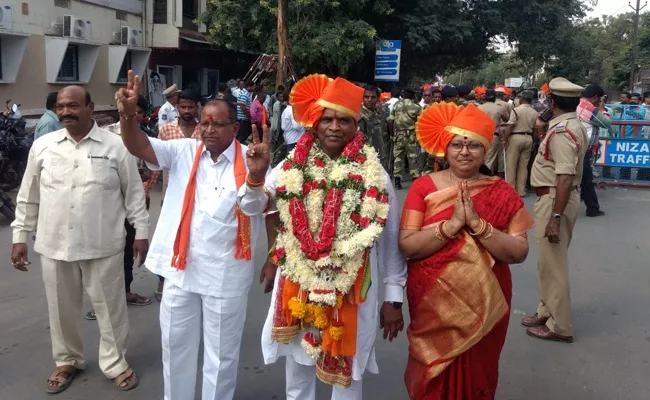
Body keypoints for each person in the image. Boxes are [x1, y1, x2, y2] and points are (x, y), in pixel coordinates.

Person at [238, 73, 406, 400]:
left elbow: (391, 239)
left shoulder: (375, 175)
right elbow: (253, 207)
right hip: (299, 286)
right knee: (298, 372)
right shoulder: (291, 164)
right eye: (326, 118)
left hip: (353, 287)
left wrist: (394, 296)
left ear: (355, 126)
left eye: (343, 120)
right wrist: (255, 179)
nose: (333, 126)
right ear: (314, 123)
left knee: (348, 376)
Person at [116, 71, 268, 400]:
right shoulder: (185, 151)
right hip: (181, 271)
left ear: (235, 128)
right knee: (176, 347)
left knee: (221, 355)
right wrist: (128, 116)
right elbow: (137, 144)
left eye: (218, 124)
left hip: (225, 276)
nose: (209, 130)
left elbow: (255, 208)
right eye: (205, 124)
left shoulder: (253, 160)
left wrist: (255, 179)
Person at [11, 86, 148, 394]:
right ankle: (67, 360)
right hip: (54, 244)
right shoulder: (43, 146)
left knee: (111, 309)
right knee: (61, 309)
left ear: (90, 107)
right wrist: (19, 235)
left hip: (103, 244)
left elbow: (134, 195)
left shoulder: (116, 146)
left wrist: (141, 232)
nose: (65, 112)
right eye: (61, 106)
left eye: (73, 105)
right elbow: (28, 195)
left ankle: (115, 363)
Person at [399, 102, 533, 400]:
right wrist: (452, 225)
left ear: (486, 151)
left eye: (473, 145)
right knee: (432, 375)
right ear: (445, 148)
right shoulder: (423, 188)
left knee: (479, 374)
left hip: (487, 303)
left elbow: (519, 251)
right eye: (457, 144)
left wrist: (477, 224)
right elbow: (408, 244)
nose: (464, 152)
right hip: (433, 302)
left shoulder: (502, 192)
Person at [524, 77, 587, 344]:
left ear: (552, 102)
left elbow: (563, 177)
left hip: (554, 200)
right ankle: (546, 310)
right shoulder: (569, 125)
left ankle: (560, 326)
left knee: (554, 265)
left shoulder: (563, 132)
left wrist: (555, 217)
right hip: (554, 198)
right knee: (547, 263)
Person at [85, 96, 157, 319]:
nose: (131, 115)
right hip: (107, 205)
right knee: (104, 253)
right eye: (127, 110)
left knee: (128, 249)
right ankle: (102, 302)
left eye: (136, 112)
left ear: (143, 115)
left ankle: (124, 291)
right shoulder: (105, 135)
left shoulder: (145, 137)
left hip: (134, 203)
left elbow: (149, 169)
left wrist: (143, 175)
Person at [577, 84, 612, 217]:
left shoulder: (577, 105)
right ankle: (592, 208)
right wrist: (602, 108)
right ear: (595, 97)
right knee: (586, 180)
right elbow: (607, 122)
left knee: (581, 179)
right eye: (600, 98)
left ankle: (591, 207)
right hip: (583, 149)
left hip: (575, 147)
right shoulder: (589, 108)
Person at [503, 90, 538, 196]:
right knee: (523, 166)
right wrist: (533, 140)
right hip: (528, 138)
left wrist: (505, 139)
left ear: (521, 99)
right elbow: (536, 129)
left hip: (515, 137)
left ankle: (511, 190)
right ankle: (521, 191)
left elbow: (510, 126)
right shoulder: (534, 112)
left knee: (511, 164)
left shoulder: (516, 110)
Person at [390, 87, 422, 189]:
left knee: (398, 158)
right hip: (411, 136)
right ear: (413, 96)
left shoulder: (396, 105)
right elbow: (422, 122)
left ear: (403, 95)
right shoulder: (416, 107)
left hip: (398, 135)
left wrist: (392, 134)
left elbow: (390, 121)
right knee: (412, 158)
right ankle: (415, 181)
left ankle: (397, 182)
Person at [479, 89, 510, 176]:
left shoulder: (479, 108)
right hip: (493, 136)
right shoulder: (499, 108)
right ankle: (486, 178)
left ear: (485, 97)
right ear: (495, 98)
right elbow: (507, 119)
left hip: (480, 135)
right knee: (490, 158)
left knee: (481, 156)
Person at [359, 84, 389, 171]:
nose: (369, 100)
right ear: (362, 97)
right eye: (366, 97)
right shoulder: (361, 117)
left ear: (378, 98)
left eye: (373, 97)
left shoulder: (377, 113)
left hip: (381, 156)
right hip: (369, 160)